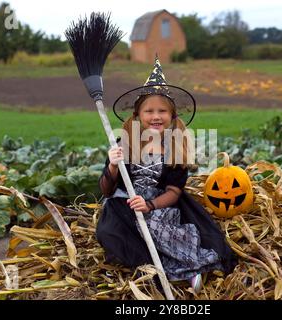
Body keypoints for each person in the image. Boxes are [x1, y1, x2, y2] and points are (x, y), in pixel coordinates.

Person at [96, 57, 237, 294]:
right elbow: (106, 190)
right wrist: (112, 166)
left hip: (159, 206)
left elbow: (173, 191)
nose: (156, 116)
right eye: (149, 111)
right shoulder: (125, 144)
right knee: (113, 233)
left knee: (156, 227)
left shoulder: (175, 147)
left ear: (172, 116)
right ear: (138, 115)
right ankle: (162, 270)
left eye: (162, 111)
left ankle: (193, 267)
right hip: (123, 206)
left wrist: (150, 205)